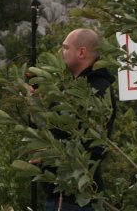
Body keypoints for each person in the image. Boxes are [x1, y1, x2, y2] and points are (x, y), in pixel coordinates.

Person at [43, 28, 117, 211]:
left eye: (66, 47)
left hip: (78, 197)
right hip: (58, 193)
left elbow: (95, 145)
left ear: (82, 52)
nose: (62, 53)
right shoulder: (68, 87)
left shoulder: (99, 89)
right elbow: (50, 127)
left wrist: (50, 156)